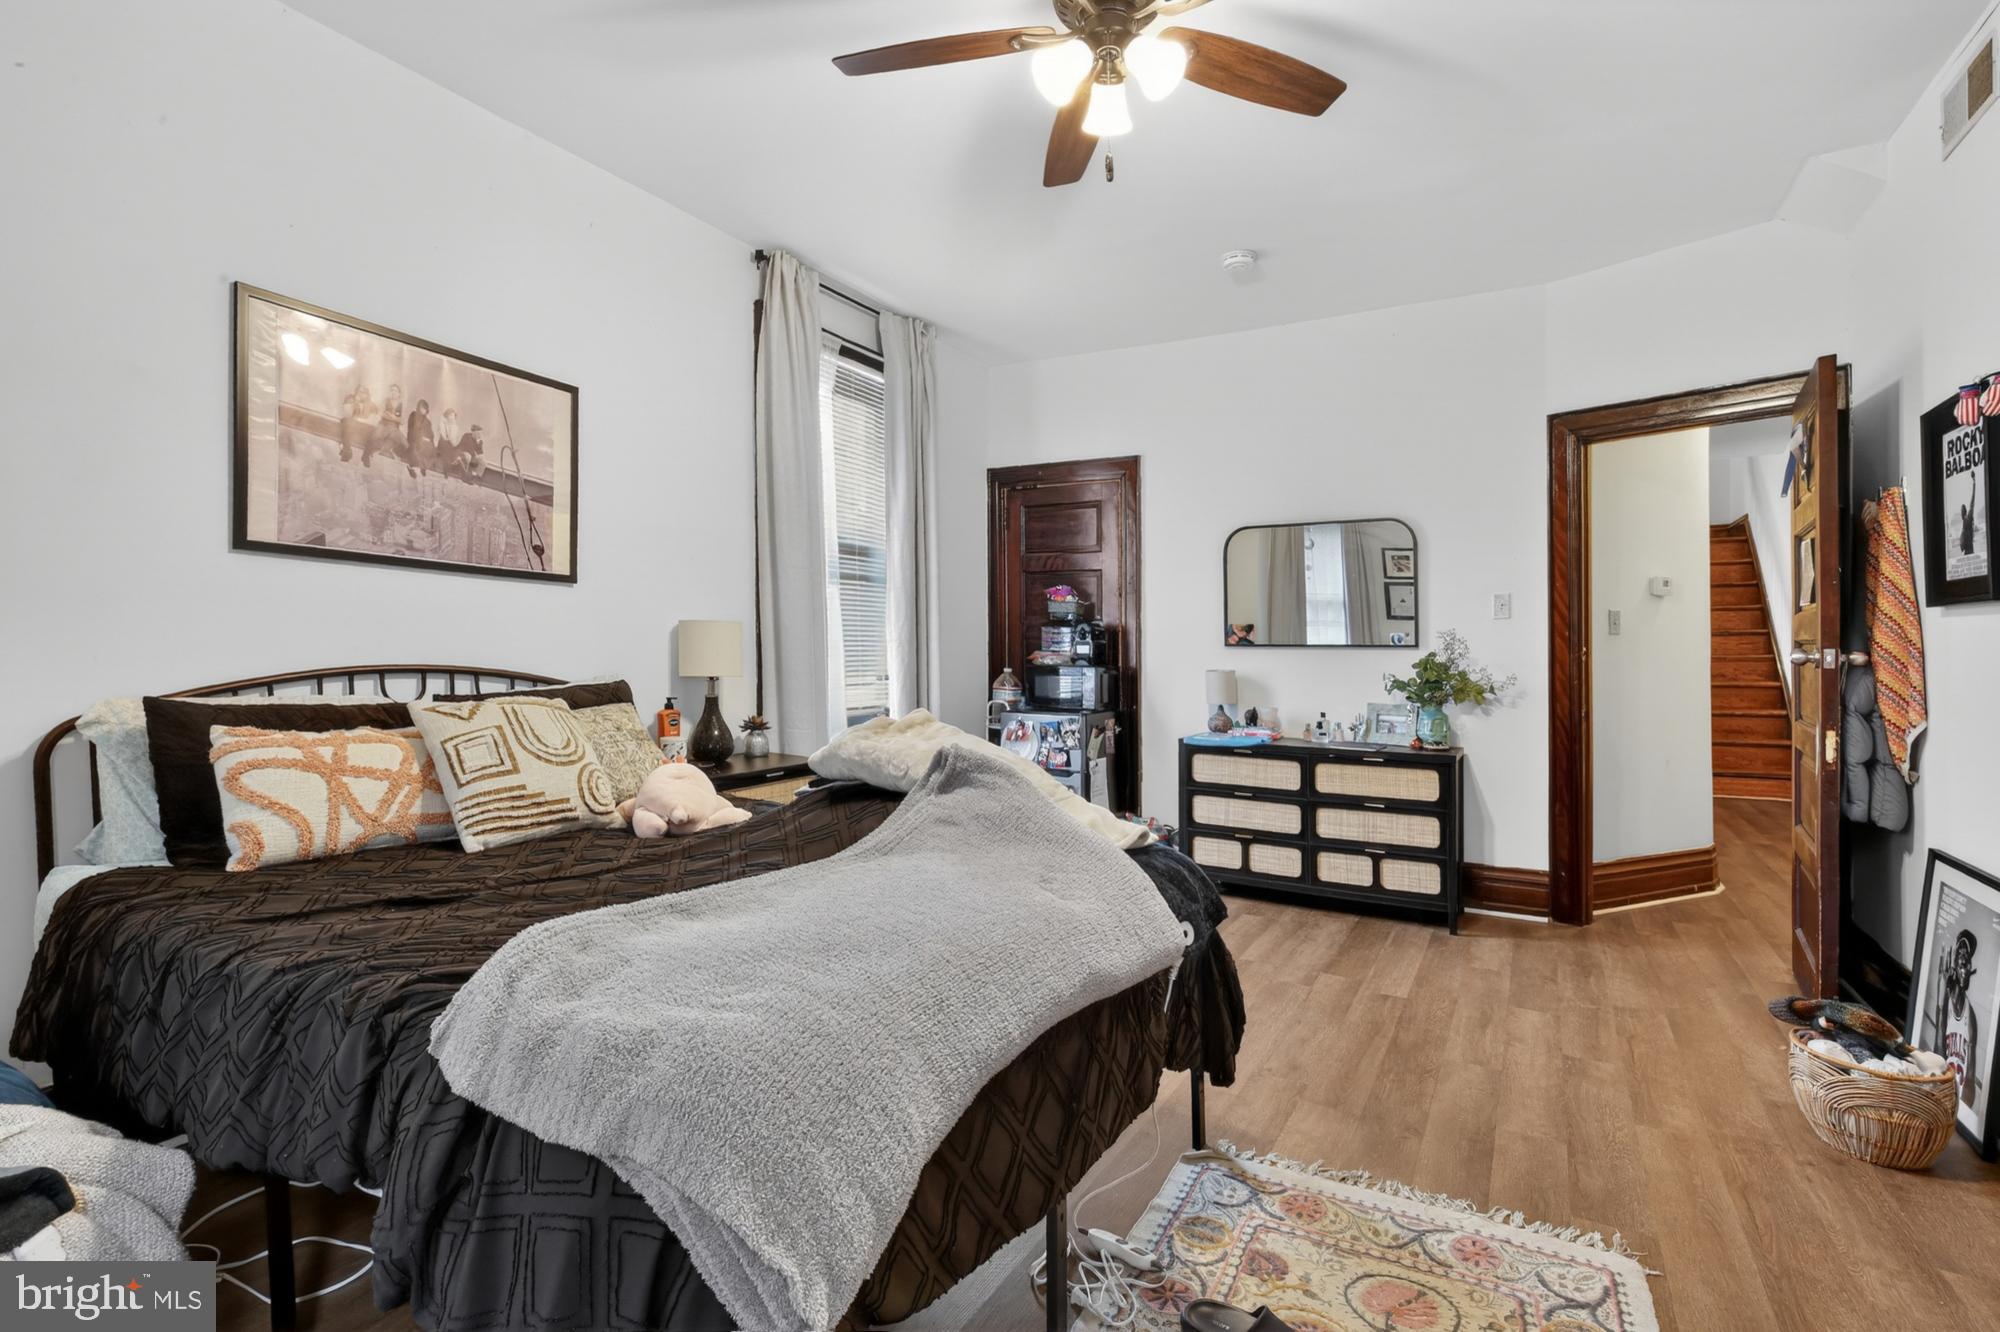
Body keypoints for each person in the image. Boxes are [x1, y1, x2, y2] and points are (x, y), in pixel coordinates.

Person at [1936, 929, 1983, 1111]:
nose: (1965, 963)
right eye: (1961, 956)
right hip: (1940, 1091)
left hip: (1958, 1104)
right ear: (1954, 966)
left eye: (1968, 960)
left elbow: (1970, 1078)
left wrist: (1960, 1111)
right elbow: (1937, 1052)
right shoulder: (1945, 1003)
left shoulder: (1970, 1017)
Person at [367, 384, 405, 472]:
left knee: (403, 442)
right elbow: (381, 413)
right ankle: (368, 454)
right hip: (384, 425)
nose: (393, 392)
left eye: (396, 391)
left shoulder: (401, 405)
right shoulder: (385, 401)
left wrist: (392, 417)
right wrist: (394, 418)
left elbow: (402, 421)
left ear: (399, 393)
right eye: (392, 390)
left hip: (394, 428)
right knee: (374, 436)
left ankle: (386, 452)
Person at [405, 399, 437, 476]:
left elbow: (431, 435)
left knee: (432, 451)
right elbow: (411, 428)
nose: (423, 410)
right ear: (418, 407)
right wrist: (421, 437)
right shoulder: (413, 415)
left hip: (425, 442)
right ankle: (412, 467)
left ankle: (423, 467)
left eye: (425, 409)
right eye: (421, 407)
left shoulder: (428, 422)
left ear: (426, 410)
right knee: (416, 449)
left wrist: (427, 439)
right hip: (413, 438)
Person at [1963, 472, 1980, 557]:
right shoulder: (1964, 520)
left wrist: (1974, 482)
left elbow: (1973, 499)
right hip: (1966, 549)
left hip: (1969, 548)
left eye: (1962, 509)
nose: (1961, 511)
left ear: (1965, 511)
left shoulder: (1968, 517)